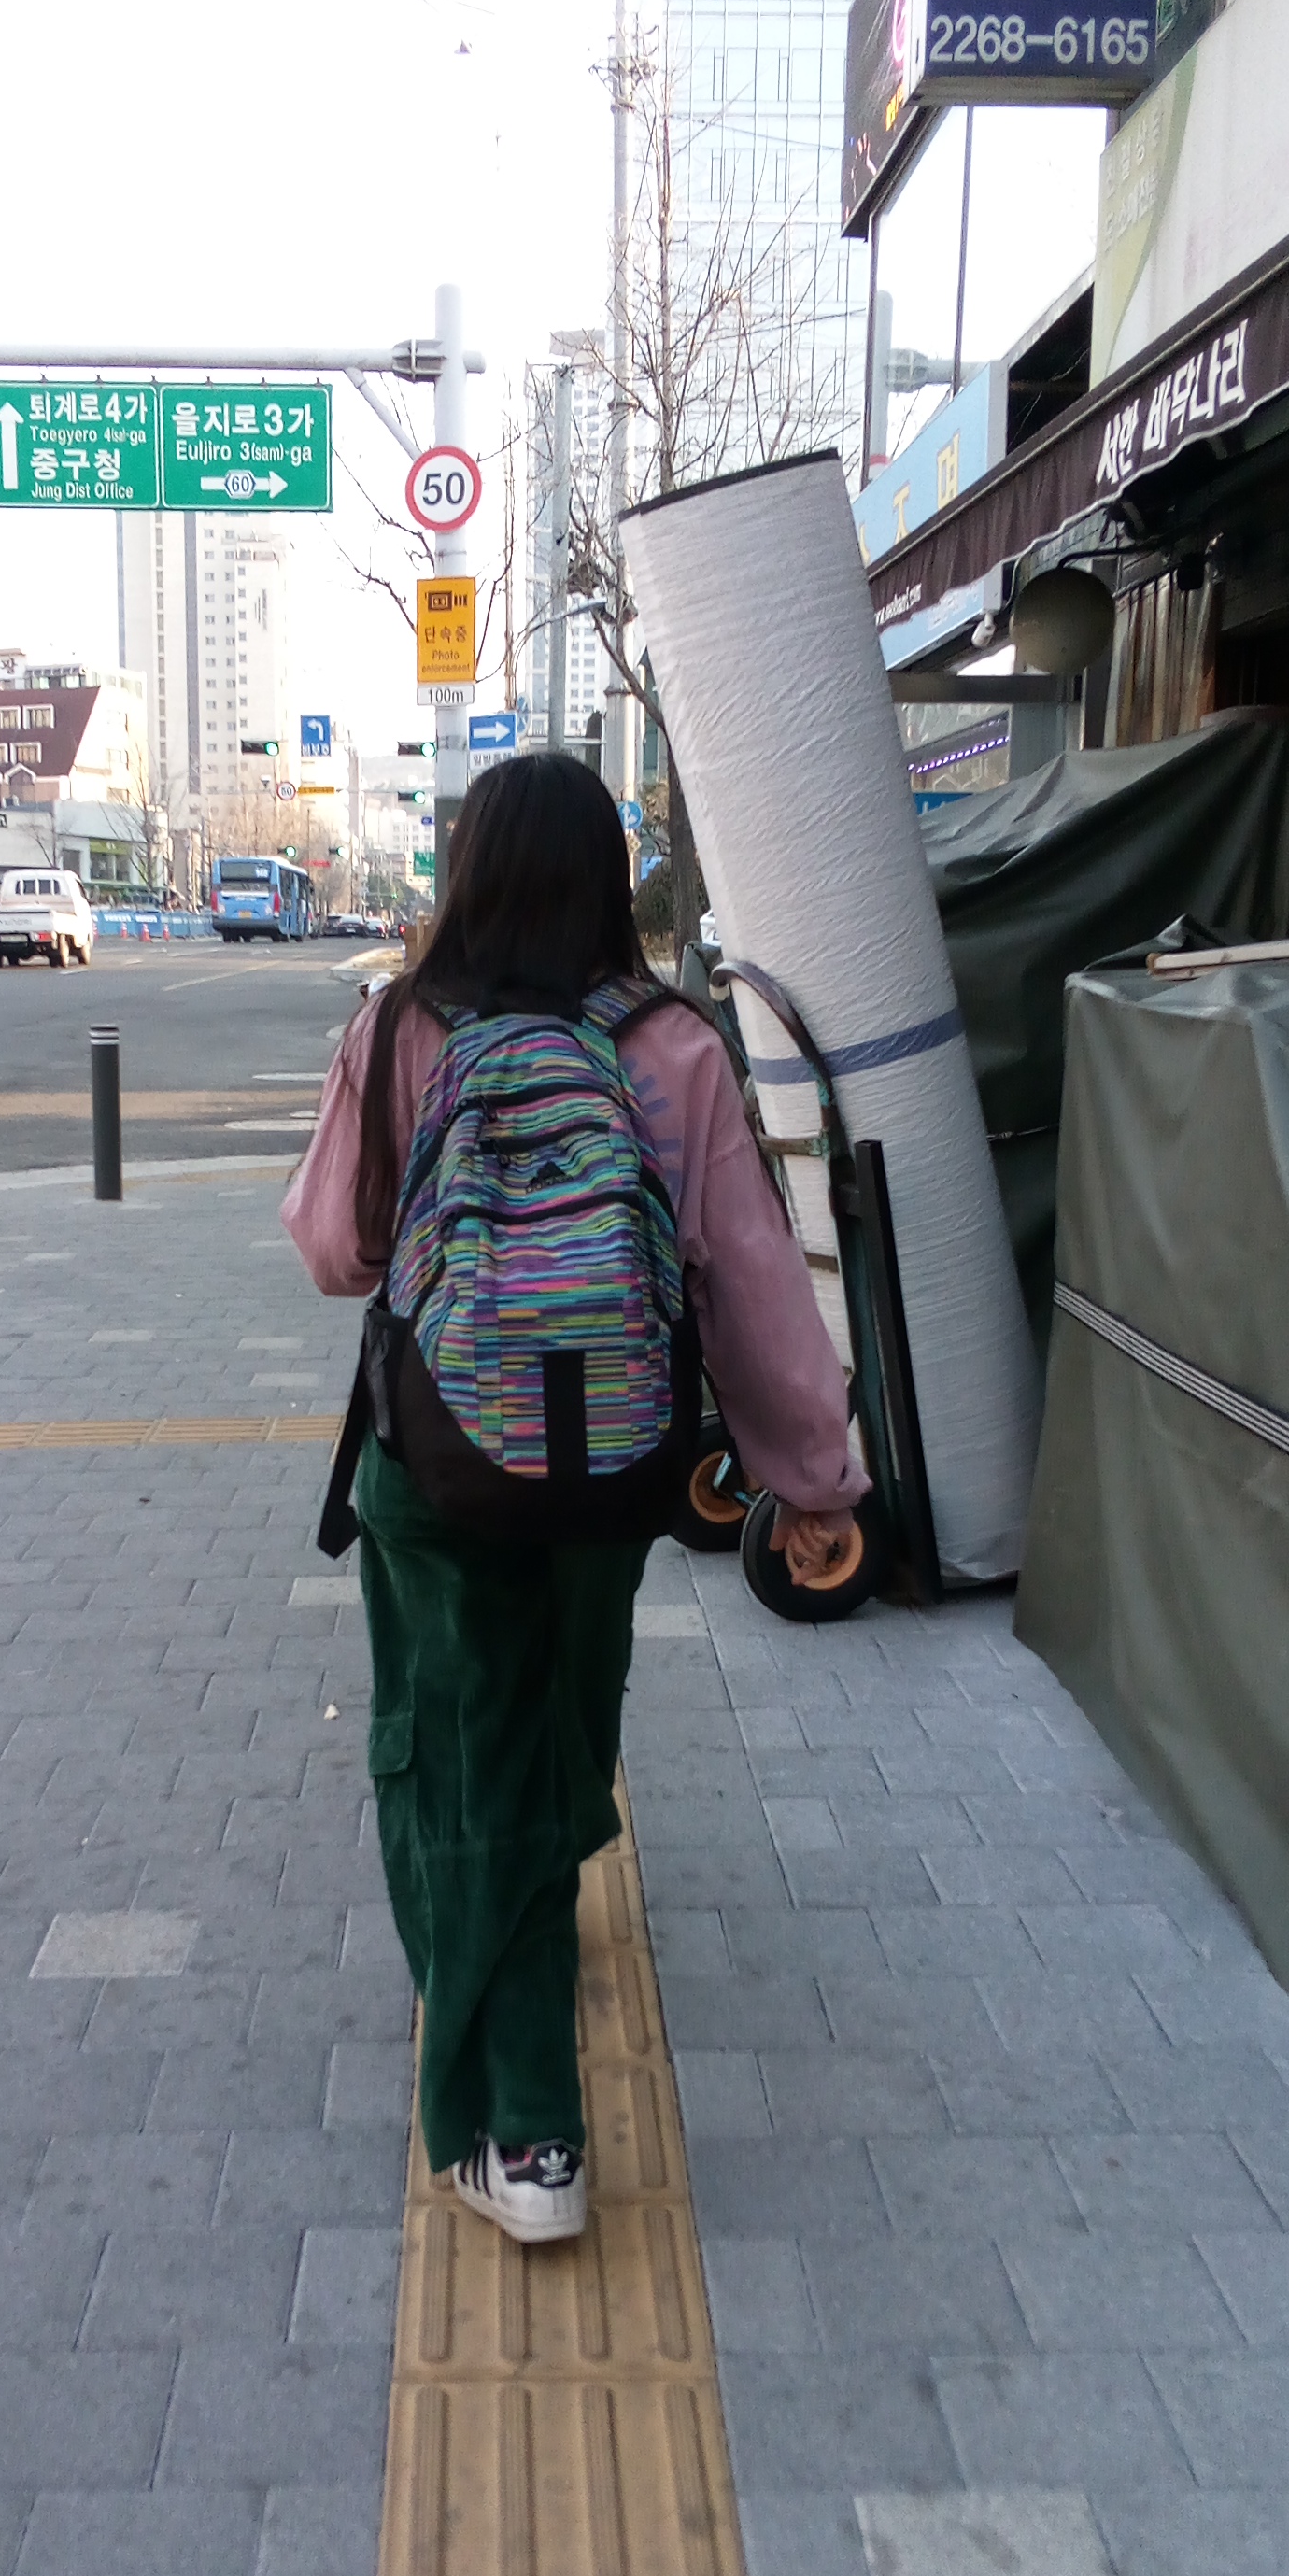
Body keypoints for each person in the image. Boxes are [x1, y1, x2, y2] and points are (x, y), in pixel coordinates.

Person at [283, 753, 866, 2244]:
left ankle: (525, 2133)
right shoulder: (673, 1045)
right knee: (563, 1720)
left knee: (453, 1746)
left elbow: (337, 1254)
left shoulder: (399, 1027)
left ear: (468, 872)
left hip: (440, 1454)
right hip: (613, 1462)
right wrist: (813, 1480)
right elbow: (749, 1285)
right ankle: (530, 1894)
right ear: (610, 879)